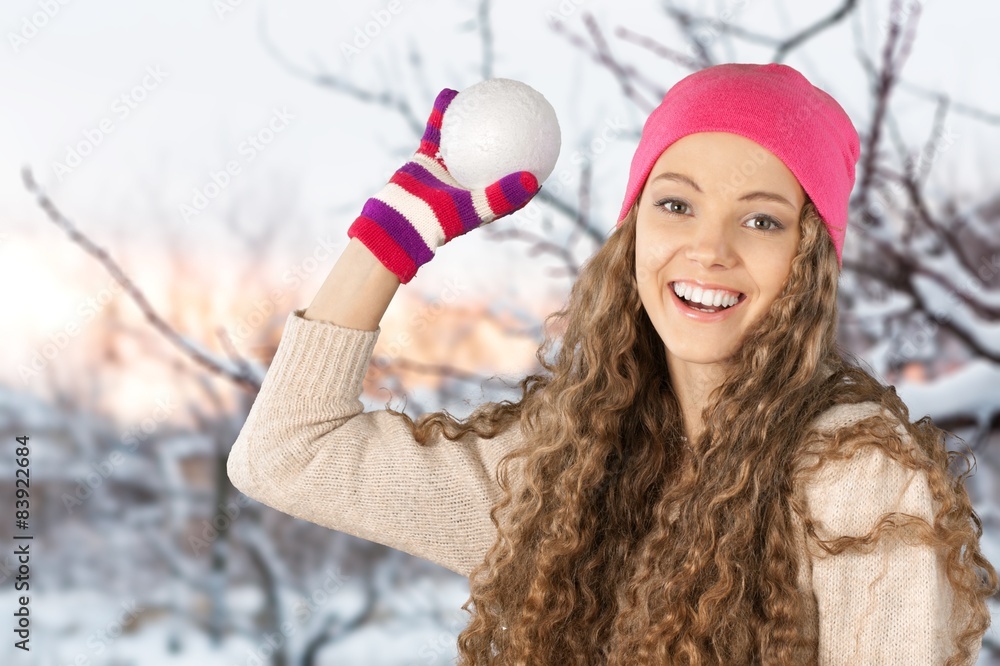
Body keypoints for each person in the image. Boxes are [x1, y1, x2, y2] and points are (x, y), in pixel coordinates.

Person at [227, 63, 997, 664]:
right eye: (676, 203)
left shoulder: (858, 476)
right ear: (632, 233)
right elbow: (287, 455)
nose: (710, 248)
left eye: (761, 219)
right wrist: (389, 241)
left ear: (808, 264)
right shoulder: (566, 472)